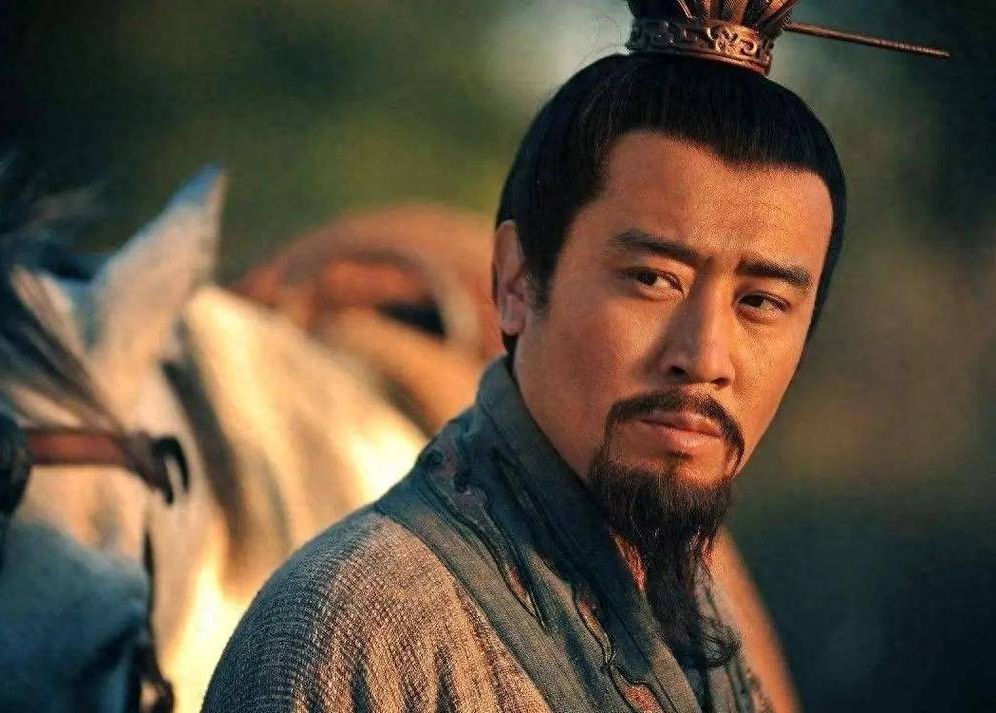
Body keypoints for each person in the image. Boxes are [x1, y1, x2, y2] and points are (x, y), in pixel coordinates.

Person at [203, 3, 945, 711]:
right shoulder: (346, 629)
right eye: (652, 279)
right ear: (517, 281)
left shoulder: (696, 610)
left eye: (760, 302)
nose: (704, 356)